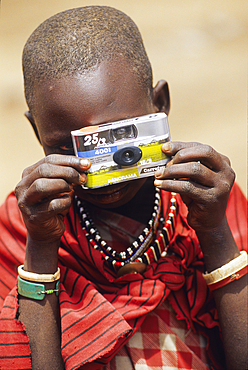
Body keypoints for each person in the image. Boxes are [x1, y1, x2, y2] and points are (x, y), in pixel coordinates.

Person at [0, 6, 247, 370]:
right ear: (37, 131)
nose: (97, 170)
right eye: (68, 148)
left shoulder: (208, 197)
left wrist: (214, 232)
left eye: (119, 142)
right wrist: (40, 248)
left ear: (160, 103)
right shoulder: (20, 229)